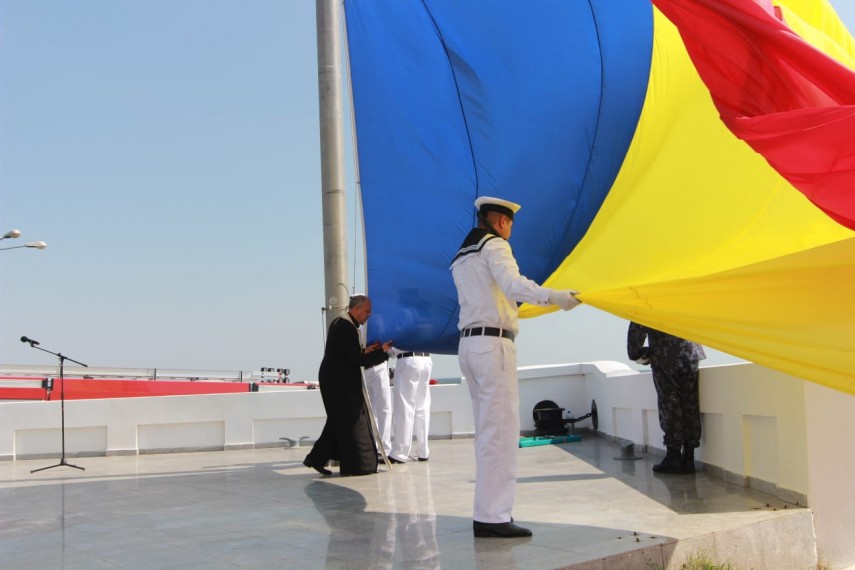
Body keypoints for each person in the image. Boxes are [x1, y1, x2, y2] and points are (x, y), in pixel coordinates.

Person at [450, 195, 581, 538]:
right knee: (502, 434)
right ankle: (493, 517)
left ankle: (487, 512)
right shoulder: (494, 246)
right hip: (494, 346)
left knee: (487, 432)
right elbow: (513, 284)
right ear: (503, 221)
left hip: (469, 345)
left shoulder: (462, 256)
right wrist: (554, 296)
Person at [304, 295, 393, 476]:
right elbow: (358, 360)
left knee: (337, 420)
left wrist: (366, 350)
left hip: (335, 380)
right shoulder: (346, 328)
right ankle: (352, 463)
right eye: (367, 311)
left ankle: (315, 459)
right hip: (338, 383)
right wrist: (383, 352)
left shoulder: (342, 323)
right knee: (346, 419)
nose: (369, 315)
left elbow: (348, 353)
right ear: (357, 309)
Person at [626, 322, 706, 474]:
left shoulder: (647, 306)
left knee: (670, 404)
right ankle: (689, 457)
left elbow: (635, 339)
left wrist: (640, 353)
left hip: (665, 355)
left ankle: (673, 456)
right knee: (690, 405)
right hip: (691, 354)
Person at [388, 350, 433, 464]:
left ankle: (400, 453)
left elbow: (392, 346)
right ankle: (423, 451)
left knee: (404, 407)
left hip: (408, 359)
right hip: (426, 360)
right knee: (422, 407)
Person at [364, 359, 393, 458]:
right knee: (369, 410)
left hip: (379, 366)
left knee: (383, 408)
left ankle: (384, 447)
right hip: (363, 369)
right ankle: (373, 445)